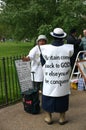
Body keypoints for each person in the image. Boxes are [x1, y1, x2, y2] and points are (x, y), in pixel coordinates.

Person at [40, 28, 74, 125]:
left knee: (48, 96)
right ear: (63, 37)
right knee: (62, 96)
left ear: (53, 36)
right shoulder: (69, 49)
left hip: (50, 78)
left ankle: (48, 117)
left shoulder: (45, 49)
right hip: (62, 79)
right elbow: (70, 62)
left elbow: (42, 62)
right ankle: (62, 118)